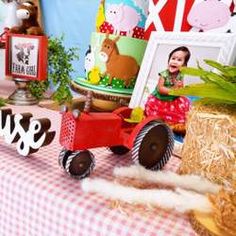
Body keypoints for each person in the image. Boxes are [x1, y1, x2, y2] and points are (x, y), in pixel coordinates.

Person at [145, 46, 191, 125]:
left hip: (173, 99)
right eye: (173, 58)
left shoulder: (180, 75)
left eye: (179, 60)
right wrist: (173, 90)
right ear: (168, 60)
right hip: (160, 99)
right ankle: (162, 119)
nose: (175, 61)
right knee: (155, 113)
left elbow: (180, 88)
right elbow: (160, 89)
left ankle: (174, 121)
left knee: (183, 106)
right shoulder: (164, 74)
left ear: (184, 66)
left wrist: (180, 88)